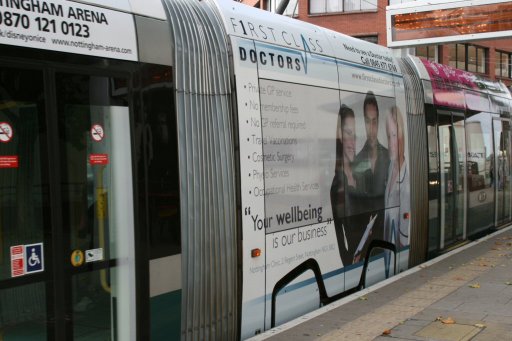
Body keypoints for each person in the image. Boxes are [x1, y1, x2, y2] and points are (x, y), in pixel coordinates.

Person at [330, 105, 369, 266]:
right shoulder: (336, 186)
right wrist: (351, 263)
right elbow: (340, 242)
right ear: (340, 137)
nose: (353, 142)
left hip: (371, 252)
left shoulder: (361, 175)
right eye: (348, 133)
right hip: (355, 263)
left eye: (355, 135)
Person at [383, 106, 409, 278]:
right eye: (388, 136)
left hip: (396, 257)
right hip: (386, 252)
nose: (391, 143)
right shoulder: (390, 166)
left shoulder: (406, 179)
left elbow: (404, 237)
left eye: (394, 135)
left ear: (401, 137)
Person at [353, 91, 389, 213]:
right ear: (364, 123)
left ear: (378, 122)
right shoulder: (356, 161)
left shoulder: (389, 157)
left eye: (375, 121)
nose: (372, 128)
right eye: (368, 121)